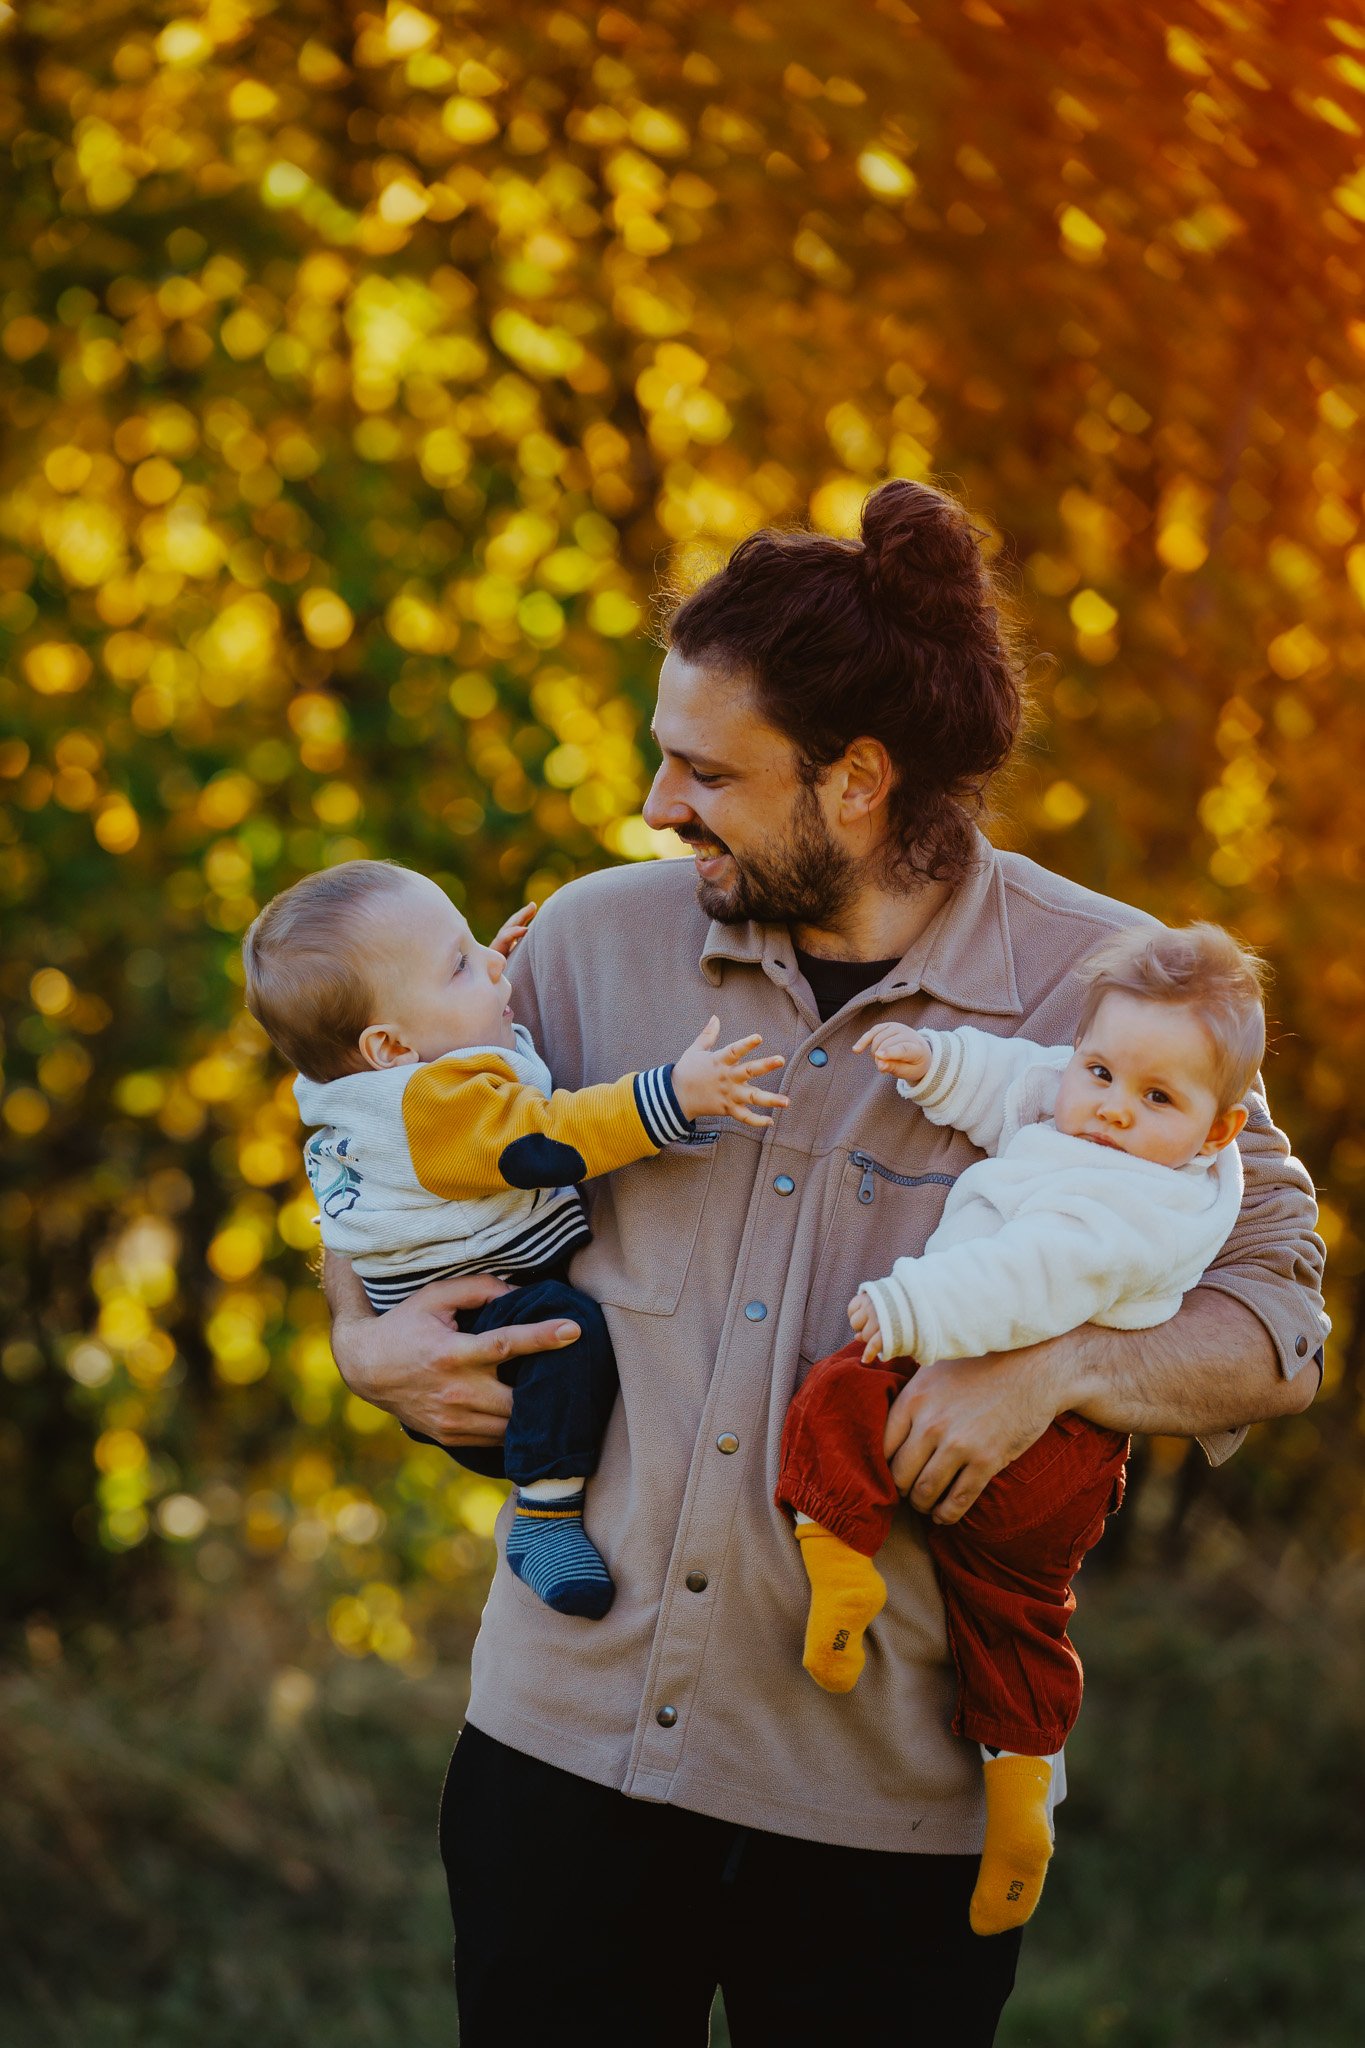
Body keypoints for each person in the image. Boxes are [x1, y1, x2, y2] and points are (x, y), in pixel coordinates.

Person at [323, 480, 1325, 2047]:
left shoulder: (1124, 995)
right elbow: (368, 1150)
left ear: (858, 779)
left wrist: (1057, 1368)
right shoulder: (584, 942)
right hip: (556, 1768)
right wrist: (357, 1342)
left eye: (706, 770)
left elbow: (1284, 1326)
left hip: (886, 1826)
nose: (659, 803)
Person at [778, 920, 1265, 1936]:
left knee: (836, 1393)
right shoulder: (1085, 1105)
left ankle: (837, 1546)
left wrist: (910, 1309)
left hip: (1040, 1425)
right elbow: (1021, 1081)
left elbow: (1027, 1278)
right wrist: (938, 1062)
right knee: (1014, 1618)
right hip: (1051, 1434)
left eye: (1157, 1099)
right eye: (1101, 1071)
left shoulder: (1133, 1208)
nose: (1110, 1110)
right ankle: (1019, 1795)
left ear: (1221, 1131)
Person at [241, 861, 785, 1619]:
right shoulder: (433, 1106)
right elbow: (546, 1139)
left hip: (437, 1312)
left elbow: (469, 1065)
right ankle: (546, 1514)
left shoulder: (371, 1085)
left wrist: (472, 987)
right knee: (569, 1328)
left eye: (474, 943)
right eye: (461, 965)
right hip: (485, 1334)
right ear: (392, 1046)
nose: (496, 964)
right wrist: (677, 1093)